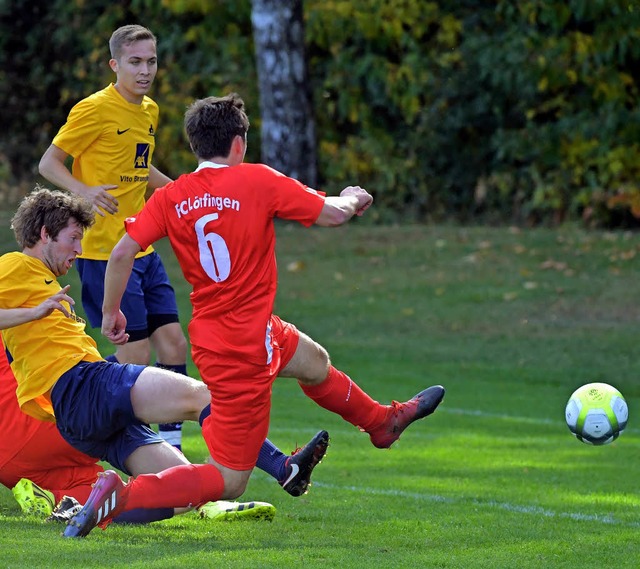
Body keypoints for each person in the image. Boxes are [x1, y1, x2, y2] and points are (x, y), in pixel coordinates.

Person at [82, 93, 445, 538]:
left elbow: (121, 254)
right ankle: (123, 495)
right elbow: (331, 214)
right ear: (239, 144)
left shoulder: (171, 196)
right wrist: (352, 198)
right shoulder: (256, 180)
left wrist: (111, 312)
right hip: (246, 345)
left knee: (314, 362)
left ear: (195, 145)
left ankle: (382, 423)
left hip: (223, 335)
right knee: (229, 481)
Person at [0, 187, 329, 536]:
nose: (79, 250)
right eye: (73, 238)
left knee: (183, 493)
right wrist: (33, 311)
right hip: (84, 385)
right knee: (201, 396)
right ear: (44, 234)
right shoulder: (16, 265)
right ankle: (282, 466)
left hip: (74, 416)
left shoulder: (39, 280)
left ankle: (83, 511)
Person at [38, 24, 185, 449]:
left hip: (144, 247)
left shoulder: (149, 110)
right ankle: (94, 428)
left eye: (151, 61)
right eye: (135, 62)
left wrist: (179, 190)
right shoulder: (93, 109)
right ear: (114, 64)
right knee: (133, 355)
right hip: (104, 253)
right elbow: (50, 163)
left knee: (174, 343)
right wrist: (84, 191)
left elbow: (142, 169)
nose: (144, 71)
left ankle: (171, 447)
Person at [0, 335, 276, 523]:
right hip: (46, 418)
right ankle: (214, 495)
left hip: (10, 463)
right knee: (192, 399)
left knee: (92, 494)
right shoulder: (20, 292)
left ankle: (55, 502)